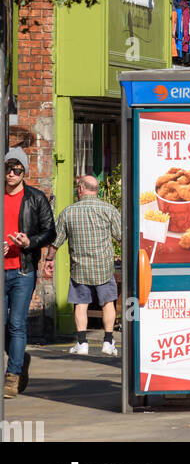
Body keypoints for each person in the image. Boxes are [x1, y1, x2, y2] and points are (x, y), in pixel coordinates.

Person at [43, 174, 122, 357]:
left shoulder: (68, 212)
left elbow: (56, 241)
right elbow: (121, 237)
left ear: (80, 189)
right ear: (95, 190)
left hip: (79, 267)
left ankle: (82, 342)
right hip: (103, 266)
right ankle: (108, 342)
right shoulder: (108, 210)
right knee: (108, 302)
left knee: (81, 304)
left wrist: (49, 260)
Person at [4, 148, 55, 397]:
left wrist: (29, 242)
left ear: (24, 171)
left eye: (17, 169)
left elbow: (50, 231)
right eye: (8, 168)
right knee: (3, 325)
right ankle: (19, 358)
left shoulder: (35, 197)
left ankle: (12, 376)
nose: (11, 173)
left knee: (16, 324)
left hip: (23, 271)